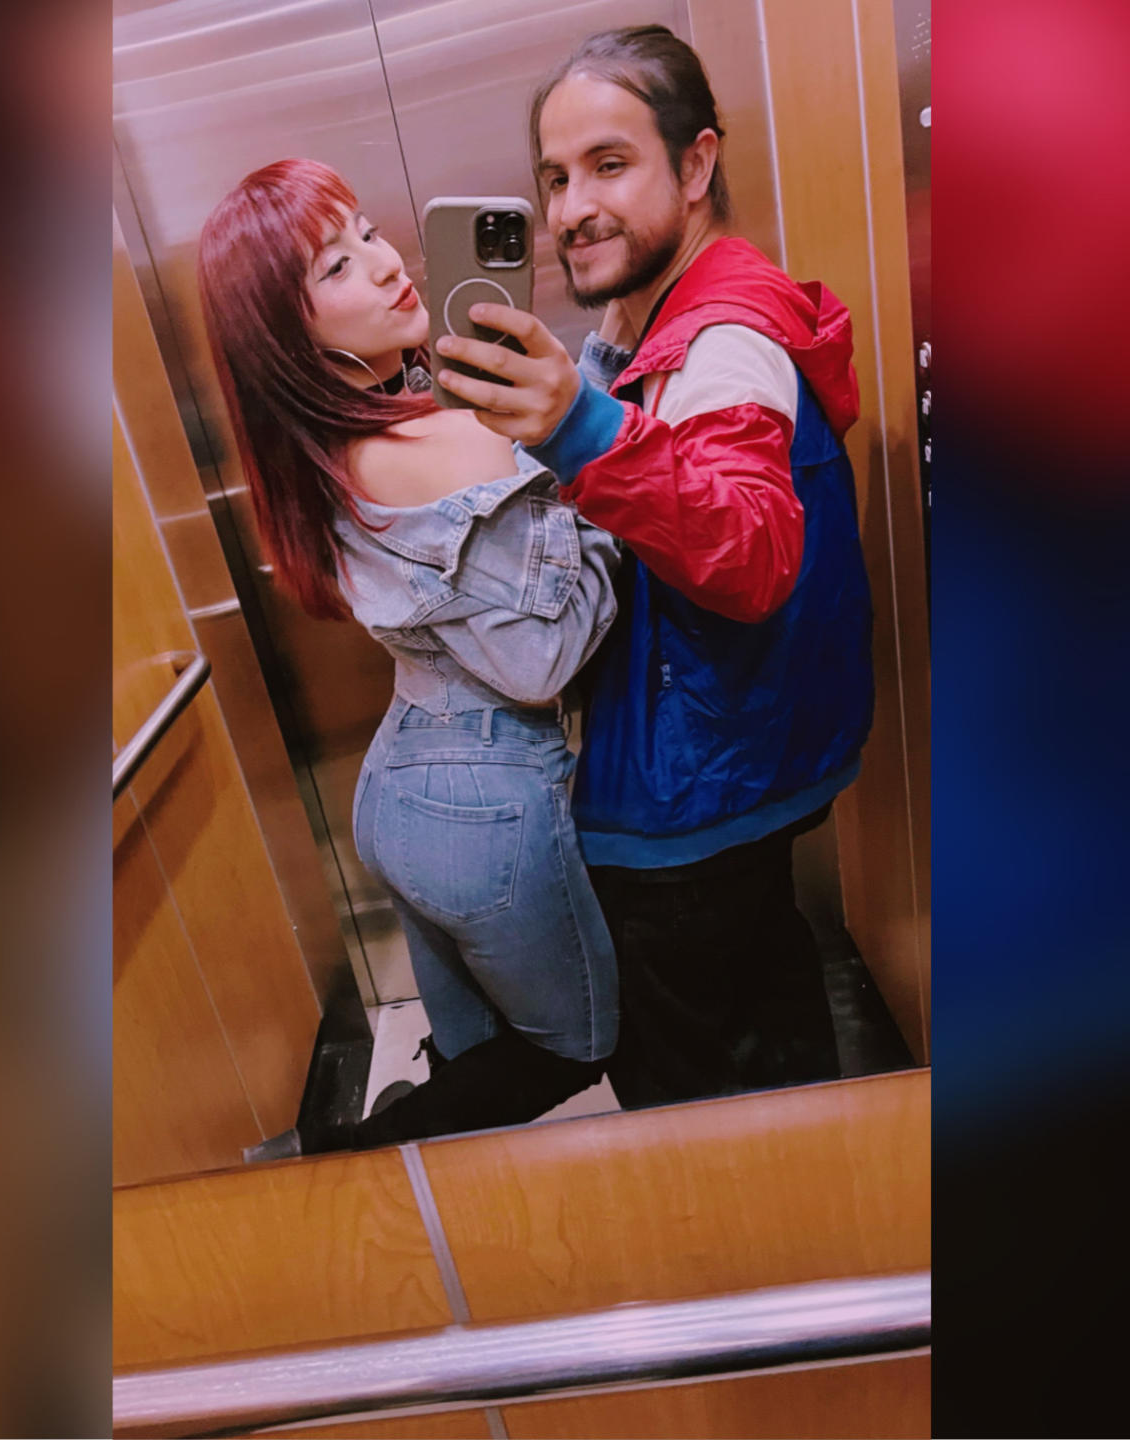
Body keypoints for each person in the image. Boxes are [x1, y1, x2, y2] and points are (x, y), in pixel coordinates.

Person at [430, 26, 874, 1107]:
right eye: (555, 177)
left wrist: (579, 428)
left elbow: (753, 551)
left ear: (696, 163)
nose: (572, 207)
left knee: (690, 1104)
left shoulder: (721, 346)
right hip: (739, 763)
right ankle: (828, 1179)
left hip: (688, 799)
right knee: (770, 1018)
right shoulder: (671, 316)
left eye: (610, 164)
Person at [195, 159, 621, 1153]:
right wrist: (603, 487)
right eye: (335, 266)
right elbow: (543, 662)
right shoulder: (441, 445)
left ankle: (434, 1198)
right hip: (480, 803)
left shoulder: (334, 445)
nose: (387, 264)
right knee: (572, 1046)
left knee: (474, 1049)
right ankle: (332, 1165)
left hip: (404, 793)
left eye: (368, 232)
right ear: (287, 336)